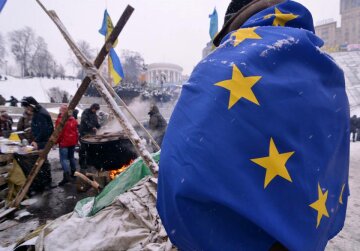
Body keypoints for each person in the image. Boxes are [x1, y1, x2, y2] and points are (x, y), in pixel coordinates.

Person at [157, 1, 349, 250]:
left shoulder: (218, 67)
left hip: (222, 239)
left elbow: (178, 166)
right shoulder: (329, 73)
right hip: (307, 233)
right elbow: (332, 169)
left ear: (234, 24)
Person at [56, 104, 78, 186]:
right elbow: (76, 132)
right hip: (72, 142)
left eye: (61, 109)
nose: (60, 110)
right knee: (71, 157)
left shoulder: (60, 120)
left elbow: (58, 133)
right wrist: (75, 140)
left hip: (64, 143)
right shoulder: (73, 120)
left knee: (64, 159)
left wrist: (56, 142)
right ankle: (74, 173)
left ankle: (66, 177)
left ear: (62, 110)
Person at [79, 103, 101, 169]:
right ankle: (82, 163)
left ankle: (89, 162)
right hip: (84, 132)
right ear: (92, 107)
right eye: (95, 109)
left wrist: (101, 127)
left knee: (91, 148)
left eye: (96, 110)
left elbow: (96, 123)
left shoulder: (94, 114)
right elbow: (85, 120)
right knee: (83, 148)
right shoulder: (86, 112)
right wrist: (92, 127)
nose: (95, 111)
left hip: (92, 134)